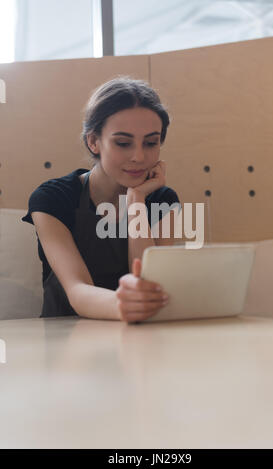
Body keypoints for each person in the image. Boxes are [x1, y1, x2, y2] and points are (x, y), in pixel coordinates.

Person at [22, 76, 181, 323]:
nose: (139, 156)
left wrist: (136, 200)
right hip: (63, 340)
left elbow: (147, 286)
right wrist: (124, 306)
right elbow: (77, 290)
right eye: (123, 143)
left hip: (139, 336)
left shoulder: (163, 200)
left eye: (150, 142)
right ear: (94, 141)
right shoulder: (52, 198)